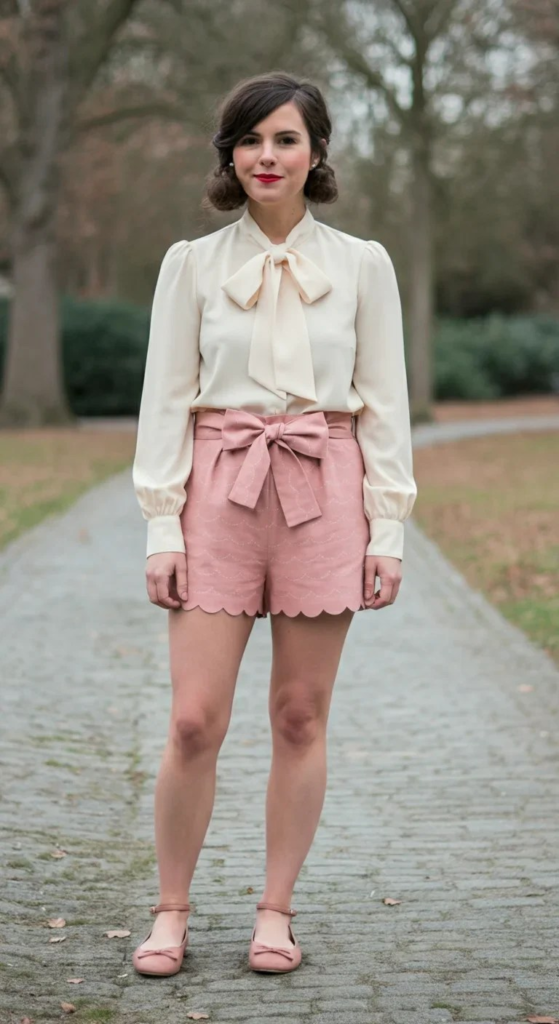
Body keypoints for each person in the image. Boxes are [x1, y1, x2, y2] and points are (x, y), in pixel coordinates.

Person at [131, 70, 417, 977]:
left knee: (298, 716)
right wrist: (161, 527)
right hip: (217, 488)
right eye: (250, 141)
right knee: (192, 720)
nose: (266, 156)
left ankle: (273, 913)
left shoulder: (363, 264)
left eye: (284, 139)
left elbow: (384, 406)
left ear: (316, 151)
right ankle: (171, 912)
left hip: (324, 486)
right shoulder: (192, 264)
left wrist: (387, 529)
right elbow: (165, 400)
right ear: (230, 155)